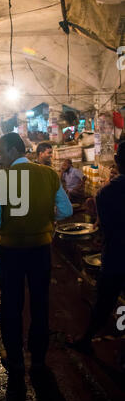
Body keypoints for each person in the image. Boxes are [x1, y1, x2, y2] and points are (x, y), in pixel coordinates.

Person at [0, 133, 72, 401]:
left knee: (11, 306)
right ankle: (38, 359)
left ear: (12, 150)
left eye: (0, 151)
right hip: (41, 251)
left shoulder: (1, 180)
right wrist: (46, 217)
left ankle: (15, 360)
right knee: (40, 303)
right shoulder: (48, 174)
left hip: (12, 253)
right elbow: (66, 210)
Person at [68, 142, 125, 353]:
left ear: (117, 162)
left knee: (104, 302)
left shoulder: (106, 193)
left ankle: (87, 339)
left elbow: (104, 228)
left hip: (116, 256)